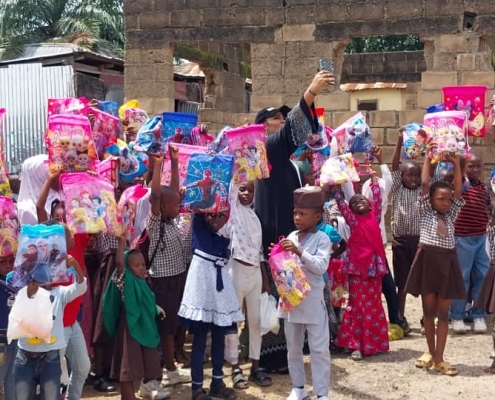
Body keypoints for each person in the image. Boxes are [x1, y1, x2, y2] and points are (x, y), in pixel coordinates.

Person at [255, 70, 335, 372]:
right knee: (278, 296)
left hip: (289, 236)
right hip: (277, 237)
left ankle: (289, 352)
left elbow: (299, 131)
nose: (282, 120)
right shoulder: (269, 148)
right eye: (277, 118)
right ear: (265, 126)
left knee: (291, 294)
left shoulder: (285, 160)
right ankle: (272, 358)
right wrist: (310, 92)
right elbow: (294, 130)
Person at [404, 149, 465, 376]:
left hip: (447, 262)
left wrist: (456, 163)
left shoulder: (452, 213)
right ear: (430, 199)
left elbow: (458, 190)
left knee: (443, 313)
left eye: (448, 199)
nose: (446, 203)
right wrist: (429, 157)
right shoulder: (425, 211)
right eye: (440, 199)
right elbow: (424, 184)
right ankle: (430, 352)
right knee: (428, 311)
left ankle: (440, 357)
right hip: (427, 261)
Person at [14, 223, 88, 400]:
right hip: (31, 352)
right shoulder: (24, 291)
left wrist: (76, 268)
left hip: (62, 337)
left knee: (80, 368)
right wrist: (29, 293)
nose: (72, 237)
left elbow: (79, 288)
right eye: (67, 234)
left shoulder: (60, 288)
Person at [36, 170, 92, 400]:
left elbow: (88, 213)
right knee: (53, 375)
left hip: (72, 320)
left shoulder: (78, 238)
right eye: (58, 223)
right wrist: (51, 179)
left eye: (66, 224)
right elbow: (39, 207)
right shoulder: (49, 247)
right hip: (54, 323)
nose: (63, 226)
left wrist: (85, 182)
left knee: (83, 367)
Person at [178, 211, 244, 400]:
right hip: (201, 292)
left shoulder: (225, 236)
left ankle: (217, 382)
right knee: (199, 339)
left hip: (220, 293)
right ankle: (197, 388)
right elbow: (199, 208)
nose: (216, 219)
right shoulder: (199, 228)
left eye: (221, 216)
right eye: (211, 216)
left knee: (219, 337)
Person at [274, 186, 331, 400]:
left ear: (317, 216)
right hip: (292, 303)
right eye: (295, 213)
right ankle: (298, 388)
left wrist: (298, 251)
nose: (297, 217)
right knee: (294, 348)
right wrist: (277, 254)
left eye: (303, 214)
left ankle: (321, 393)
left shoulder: (322, 239)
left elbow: (320, 266)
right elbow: (285, 267)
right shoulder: (292, 236)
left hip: (313, 302)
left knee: (319, 349)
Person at [341, 146, 405, 332]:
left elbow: (382, 189)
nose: (359, 201)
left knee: (386, 288)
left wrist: (377, 169)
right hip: (358, 260)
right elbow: (344, 193)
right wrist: (342, 166)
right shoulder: (352, 213)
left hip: (376, 256)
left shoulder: (375, 210)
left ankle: (395, 321)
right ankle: (359, 329)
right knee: (357, 296)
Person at [103, 236, 169, 400]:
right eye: (136, 265)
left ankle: (146, 387)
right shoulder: (125, 280)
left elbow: (145, 302)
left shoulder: (143, 282)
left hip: (145, 327)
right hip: (130, 329)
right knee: (128, 366)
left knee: (146, 361)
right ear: (128, 267)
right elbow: (119, 264)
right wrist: (121, 242)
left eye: (143, 265)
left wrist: (156, 308)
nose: (141, 268)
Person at [220, 182, 271, 389]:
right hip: (236, 271)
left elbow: (260, 252)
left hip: (255, 273)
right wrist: (239, 168)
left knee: (256, 321)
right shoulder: (233, 212)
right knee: (233, 322)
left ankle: (255, 365)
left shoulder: (255, 217)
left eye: (251, 190)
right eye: (243, 189)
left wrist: (265, 279)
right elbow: (232, 190)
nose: (246, 193)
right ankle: (235, 367)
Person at [332, 173, 389, 360]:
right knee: (356, 305)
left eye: (361, 199)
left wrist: (373, 179)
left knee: (373, 304)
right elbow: (340, 201)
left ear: (370, 204)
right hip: (357, 267)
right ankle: (355, 344)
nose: (358, 202)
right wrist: (336, 181)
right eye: (354, 202)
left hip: (374, 268)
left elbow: (378, 197)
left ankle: (372, 344)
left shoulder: (375, 216)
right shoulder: (353, 220)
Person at [148, 149, 190, 387]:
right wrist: (157, 166)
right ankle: (167, 370)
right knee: (165, 329)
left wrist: (174, 163)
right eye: (176, 205)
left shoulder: (172, 221)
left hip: (176, 279)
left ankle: (170, 367)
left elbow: (171, 192)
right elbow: (156, 195)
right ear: (162, 207)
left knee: (171, 326)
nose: (179, 207)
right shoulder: (156, 224)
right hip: (162, 283)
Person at [450, 153, 492, 334]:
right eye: (470, 166)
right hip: (462, 238)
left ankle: (478, 313)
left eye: (478, 166)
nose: (475, 169)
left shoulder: (483, 187)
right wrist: (458, 160)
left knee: (482, 275)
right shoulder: (462, 185)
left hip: (480, 237)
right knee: (462, 277)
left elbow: (487, 206)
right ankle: (457, 315)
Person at [391, 129, 422, 330]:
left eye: (417, 175)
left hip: (420, 242)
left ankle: (427, 318)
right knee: (401, 283)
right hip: (401, 242)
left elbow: (430, 171)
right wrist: (400, 141)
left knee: (424, 282)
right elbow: (395, 165)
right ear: (401, 176)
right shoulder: (397, 188)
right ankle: (400, 318)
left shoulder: (424, 190)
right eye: (409, 175)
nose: (414, 178)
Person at [17, 155, 59, 225]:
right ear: (39, 175)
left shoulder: (58, 195)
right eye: (52, 172)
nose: (57, 177)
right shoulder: (27, 210)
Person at [0, 252, 16, 400]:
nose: (8, 266)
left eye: (11, 261)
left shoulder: (16, 282)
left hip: (15, 340)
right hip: (1, 341)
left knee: (13, 385)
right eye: (2, 262)